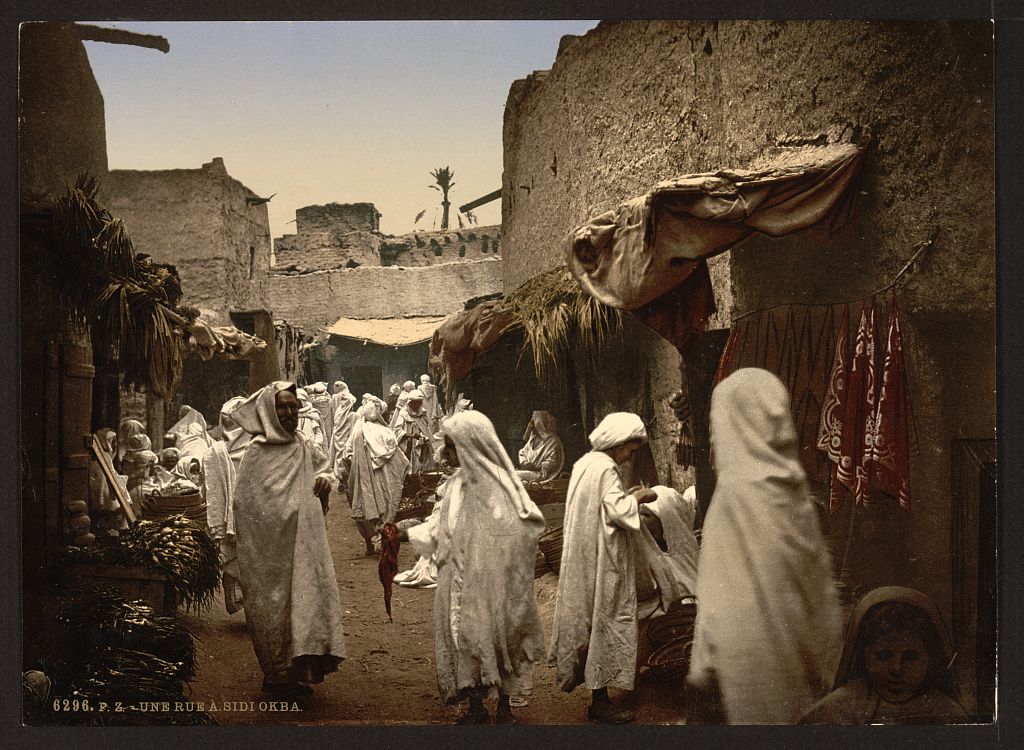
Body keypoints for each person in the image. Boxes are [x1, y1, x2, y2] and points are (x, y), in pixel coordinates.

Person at [686, 368, 841, 724]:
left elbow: (720, 607)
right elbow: (818, 594)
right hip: (800, 665)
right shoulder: (793, 490)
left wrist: (702, 671)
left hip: (743, 680)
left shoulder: (735, 497)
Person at [400, 411, 546, 724]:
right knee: (465, 641)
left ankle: (504, 706)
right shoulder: (456, 485)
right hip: (459, 581)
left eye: (451, 447)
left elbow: (526, 528)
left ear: (470, 446)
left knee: (501, 640)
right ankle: (476, 706)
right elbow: (441, 529)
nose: (446, 454)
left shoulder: (502, 487)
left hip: (496, 585)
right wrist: (405, 533)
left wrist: (493, 557)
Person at [231, 382, 346, 698]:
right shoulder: (256, 452)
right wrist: (283, 515)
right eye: (282, 406)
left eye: (294, 406)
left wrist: (323, 483)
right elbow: (245, 505)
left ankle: (296, 673)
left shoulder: (302, 446)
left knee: (304, 603)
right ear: (269, 410)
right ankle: (276, 675)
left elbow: (324, 474)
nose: (289, 412)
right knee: (274, 607)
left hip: (302, 545)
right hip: (268, 552)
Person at [549, 412, 659, 724]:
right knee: (606, 619)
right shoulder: (607, 470)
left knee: (590, 619)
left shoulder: (585, 463)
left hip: (583, 555)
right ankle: (600, 700)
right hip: (603, 560)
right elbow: (620, 512)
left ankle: (597, 693)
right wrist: (642, 495)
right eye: (630, 449)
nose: (629, 456)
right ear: (617, 442)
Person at [799, 587, 968, 725]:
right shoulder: (836, 711)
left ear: (930, 658)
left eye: (910, 657)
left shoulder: (948, 714)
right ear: (864, 656)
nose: (896, 668)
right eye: (882, 656)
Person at [344, 400, 410, 555]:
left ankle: (369, 546)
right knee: (385, 506)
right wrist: (405, 467)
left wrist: (354, 465)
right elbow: (394, 450)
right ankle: (383, 543)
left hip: (362, 477)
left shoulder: (357, 430)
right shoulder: (383, 431)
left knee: (365, 509)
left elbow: (347, 452)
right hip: (383, 477)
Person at [202, 397, 248, 614]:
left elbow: (209, 491)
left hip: (249, 516)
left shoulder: (215, 452)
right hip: (252, 517)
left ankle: (251, 607)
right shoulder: (258, 447)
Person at [634, 485, 699, 620]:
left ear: (665, 521)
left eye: (646, 515)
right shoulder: (644, 562)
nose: (640, 519)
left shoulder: (691, 560)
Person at [516, 410, 566, 484]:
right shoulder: (533, 438)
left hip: (542, 475)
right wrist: (525, 462)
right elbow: (522, 452)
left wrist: (535, 467)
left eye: (534, 423)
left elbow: (553, 462)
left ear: (540, 424)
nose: (531, 426)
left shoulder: (554, 441)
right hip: (530, 472)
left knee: (513, 476)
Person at [392, 389, 434, 473]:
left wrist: (424, 436)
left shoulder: (422, 413)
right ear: (410, 402)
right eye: (416, 402)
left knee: (423, 463)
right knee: (411, 464)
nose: (418, 405)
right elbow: (397, 430)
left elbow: (426, 427)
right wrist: (411, 435)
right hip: (409, 444)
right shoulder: (404, 414)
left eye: (419, 402)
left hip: (422, 443)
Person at [330, 382, 359, 484]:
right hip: (346, 438)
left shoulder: (338, 412)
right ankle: (345, 480)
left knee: (339, 456)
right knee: (346, 457)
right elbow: (353, 429)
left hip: (338, 438)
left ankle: (340, 478)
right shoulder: (352, 415)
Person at [296, 387, 326, 453]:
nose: (297, 404)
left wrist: (316, 445)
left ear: (304, 401)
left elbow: (318, 434)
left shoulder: (312, 414)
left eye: (299, 401)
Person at [309, 382, 335, 456]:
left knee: (320, 437)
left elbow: (308, 393)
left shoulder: (312, 402)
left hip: (318, 422)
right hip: (328, 421)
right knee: (328, 436)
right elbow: (327, 394)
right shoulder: (328, 400)